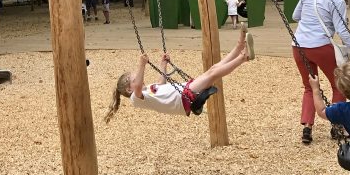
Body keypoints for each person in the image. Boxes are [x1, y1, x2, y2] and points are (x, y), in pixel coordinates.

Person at [104, 29, 253, 122]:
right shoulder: (135, 99)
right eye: (134, 78)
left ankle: (239, 46)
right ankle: (243, 57)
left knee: (213, 70)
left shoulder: (147, 90)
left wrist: (163, 64)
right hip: (184, 99)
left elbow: (160, 85)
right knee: (213, 73)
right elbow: (137, 87)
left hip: (184, 91)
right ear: (129, 89)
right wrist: (141, 64)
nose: (139, 78)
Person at [291, 0, 350, 145]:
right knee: (339, 85)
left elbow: (295, 16)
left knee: (309, 86)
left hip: (298, 46)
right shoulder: (337, 0)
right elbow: (342, 30)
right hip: (320, 46)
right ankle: (337, 125)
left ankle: (307, 127)